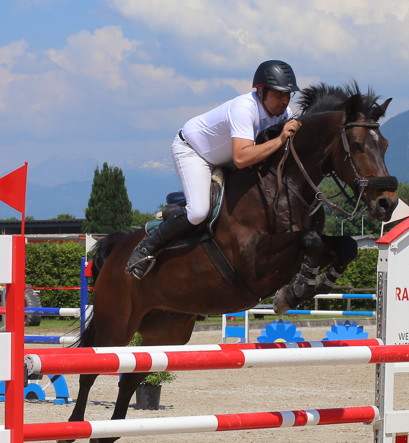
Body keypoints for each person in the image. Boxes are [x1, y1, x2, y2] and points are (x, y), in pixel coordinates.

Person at [126, 59, 303, 279]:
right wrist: (280, 140)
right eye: (278, 94)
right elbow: (241, 157)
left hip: (226, 157)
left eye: (288, 94)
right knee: (199, 211)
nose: (284, 100)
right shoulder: (244, 109)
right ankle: (146, 248)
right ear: (260, 91)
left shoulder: (285, 113)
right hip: (194, 152)